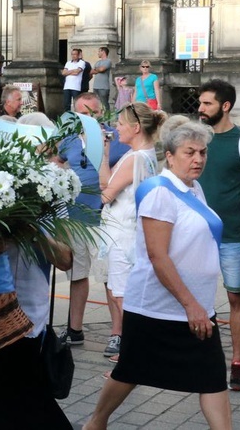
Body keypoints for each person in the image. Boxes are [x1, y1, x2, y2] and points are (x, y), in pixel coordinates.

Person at [84, 117, 232, 430]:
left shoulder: (194, 188)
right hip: (157, 307)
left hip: (197, 306)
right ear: (170, 154)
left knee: (213, 377)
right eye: (190, 152)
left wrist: (197, 303)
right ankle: (96, 422)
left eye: (203, 152)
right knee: (130, 372)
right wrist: (189, 304)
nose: (198, 159)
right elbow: (157, 256)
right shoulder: (160, 192)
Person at [0, 240, 74, 430]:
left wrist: (30, 227)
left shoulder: (47, 215)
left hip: (30, 323)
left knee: (27, 405)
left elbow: (65, 260)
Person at [197, 79, 240, 391]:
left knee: (235, 296)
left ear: (225, 106)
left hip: (232, 237)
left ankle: (237, 364)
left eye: (207, 103)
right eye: (200, 103)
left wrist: (238, 221)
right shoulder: (198, 140)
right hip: (197, 237)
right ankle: (201, 358)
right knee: (197, 297)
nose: (200, 108)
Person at [57, 93, 130, 346]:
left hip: (104, 219)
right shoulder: (69, 141)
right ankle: (75, 329)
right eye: (83, 114)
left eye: (94, 113)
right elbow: (56, 163)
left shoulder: (118, 139)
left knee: (110, 278)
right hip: (76, 218)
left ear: (102, 112)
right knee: (78, 275)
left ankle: (117, 333)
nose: (89, 118)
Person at [97, 103, 165, 360]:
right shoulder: (142, 154)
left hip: (123, 234)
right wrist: (104, 154)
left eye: (121, 124)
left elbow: (106, 194)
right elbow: (109, 181)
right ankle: (135, 350)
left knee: (122, 295)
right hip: (127, 231)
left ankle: (136, 353)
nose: (117, 128)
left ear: (136, 128)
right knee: (122, 293)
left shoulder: (134, 158)